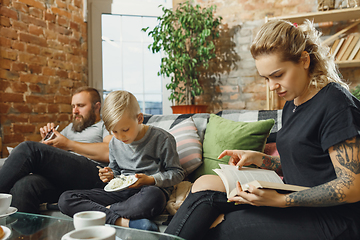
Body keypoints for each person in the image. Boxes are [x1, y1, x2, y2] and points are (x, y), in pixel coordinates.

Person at [164, 19, 360, 240]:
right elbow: (308, 162)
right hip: (297, 204)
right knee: (204, 194)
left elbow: (352, 187)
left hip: (334, 219)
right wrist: (261, 159)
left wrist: (282, 201)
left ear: (304, 60)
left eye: (278, 75)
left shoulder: (335, 103)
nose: (272, 86)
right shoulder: (292, 104)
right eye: (266, 78)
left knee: (226, 228)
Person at [58, 90, 185, 231]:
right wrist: (110, 174)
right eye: (114, 131)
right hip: (120, 192)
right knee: (66, 199)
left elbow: (177, 173)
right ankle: (122, 221)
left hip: (149, 191)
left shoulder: (162, 139)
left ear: (140, 119)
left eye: (125, 129)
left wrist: (150, 180)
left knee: (154, 198)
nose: (120, 137)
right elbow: (116, 171)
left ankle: (103, 212)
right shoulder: (114, 142)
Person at [0, 87, 112, 213]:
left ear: (96, 107)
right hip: (66, 177)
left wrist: (69, 144)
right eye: (73, 106)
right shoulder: (70, 128)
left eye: (80, 105)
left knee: (29, 148)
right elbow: (56, 154)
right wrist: (47, 143)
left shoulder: (105, 125)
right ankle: (24, 232)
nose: (75, 111)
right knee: (25, 185)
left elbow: (109, 151)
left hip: (95, 173)